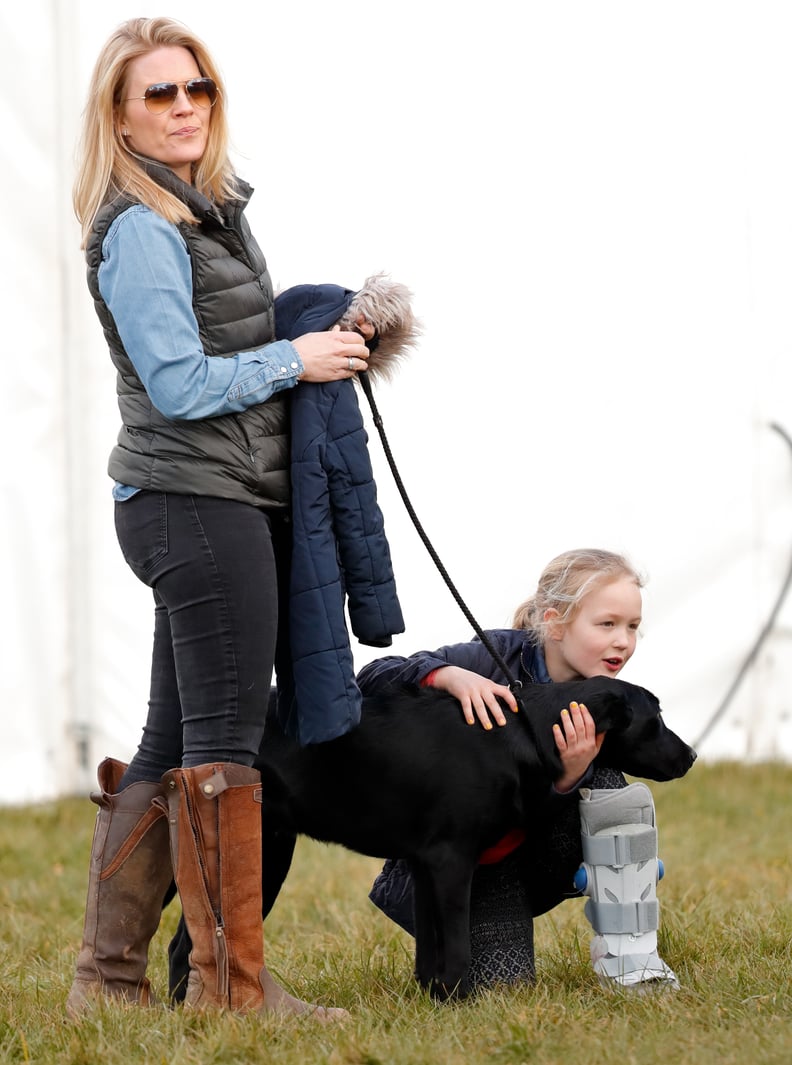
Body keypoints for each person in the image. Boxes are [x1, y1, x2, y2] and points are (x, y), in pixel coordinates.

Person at [65, 16, 388, 1020]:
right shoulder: (142, 230)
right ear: (118, 115)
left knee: (175, 739)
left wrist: (316, 331)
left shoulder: (204, 212)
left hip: (199, 501)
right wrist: (300, 361)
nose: (182, 107)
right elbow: (176, 383)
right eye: (158, 93)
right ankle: (230, 990)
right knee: (223, 747)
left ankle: (108, 981)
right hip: (194, 502)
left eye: (195, 87)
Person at [358, 547, 682, 992]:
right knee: (505, 992)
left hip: (541, 847)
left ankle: (630, 957)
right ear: (554, 622)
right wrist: (448, 676)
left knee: (611, 789)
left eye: (631, 627)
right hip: (475, 870)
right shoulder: (491, 659)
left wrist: (570, 777)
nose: (623, 640)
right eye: (607, 624)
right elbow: (371, 677)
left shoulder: (607, 698)